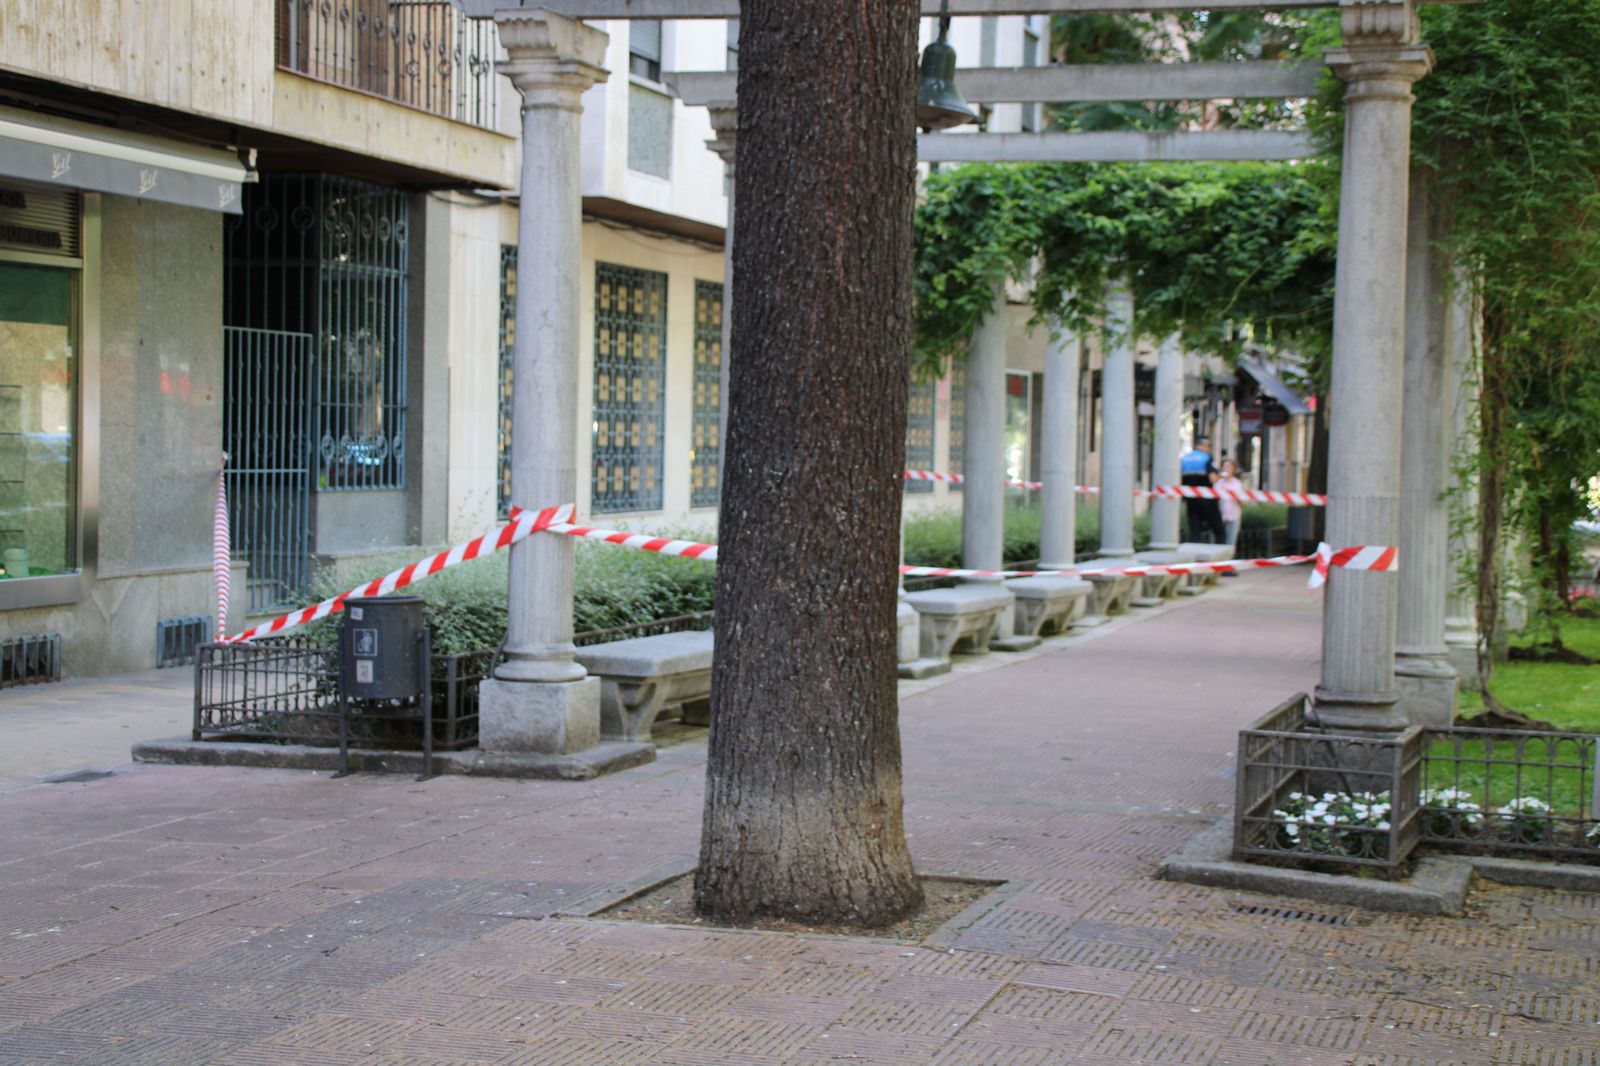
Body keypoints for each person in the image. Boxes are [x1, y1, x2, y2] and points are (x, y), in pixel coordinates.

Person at [1179, 436, 1226, 543]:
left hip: (1190, 498)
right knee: (1218, 529)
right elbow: (1213, 478)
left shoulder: (1185, 458)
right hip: (1206, 498)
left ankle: (1193, 554)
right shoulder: (1206, 458)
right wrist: (1222, 475)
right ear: (1204, 445)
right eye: (1208, 446)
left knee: (1194, 529)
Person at [1216, 458, 1245, 548]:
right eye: (1224, 466)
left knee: (1230, 544)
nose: (1226, 468)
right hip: (1219, 516)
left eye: (1228, 466)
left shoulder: (1237, 484)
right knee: (1217, 543)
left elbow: (1243, 501)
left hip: (1233, 516)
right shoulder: (1218, 483)